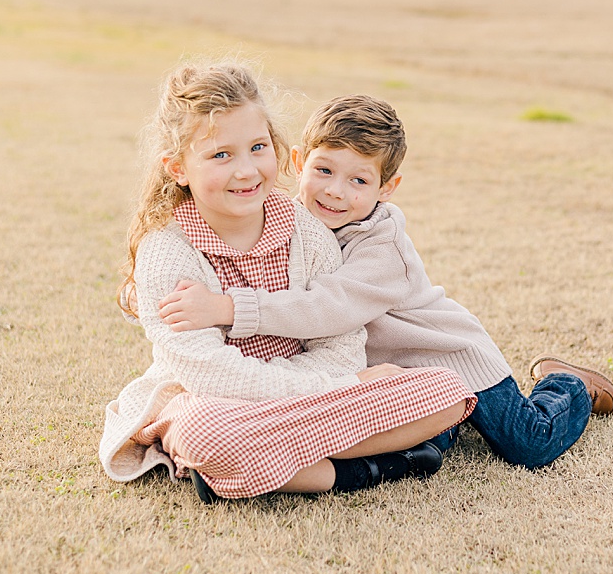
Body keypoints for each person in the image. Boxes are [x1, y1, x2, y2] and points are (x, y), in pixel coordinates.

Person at [157, 94, 613, 471]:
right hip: (384, 376)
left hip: (447, 355)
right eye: (324, 171)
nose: (336, 191)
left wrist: (231, 308)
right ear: (298, 162)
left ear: (387, 188)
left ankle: (566, 385)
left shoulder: (384, 250)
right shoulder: (287, 220)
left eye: (358, 179)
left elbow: (328, 307)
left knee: (528, 444)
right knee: (420, 447)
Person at [100, 64, 475, 502]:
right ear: (178, 167)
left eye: (258, 147)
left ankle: (267, 463)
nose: (246, 171)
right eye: (221, 155)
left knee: (447, 393)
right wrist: (343, 388)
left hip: (306, 397)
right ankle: (359, 470)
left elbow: (341, 347)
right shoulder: (167, 251)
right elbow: (208, 374)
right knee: (204, 431)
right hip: (218, 403)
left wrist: (329, 385)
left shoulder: (306, 230)